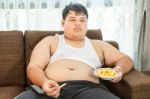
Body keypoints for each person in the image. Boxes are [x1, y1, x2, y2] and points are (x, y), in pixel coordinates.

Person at [16, 3, 133, 99]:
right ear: (63, 23)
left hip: (89, 89)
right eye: (72, 19)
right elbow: (34, 67)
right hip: (52, 87)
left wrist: (119, 70)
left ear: (87, 23)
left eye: (82, 20)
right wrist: (44, 83)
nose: (78, 23)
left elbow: (125, 59)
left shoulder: (98, 45)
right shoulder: (51, 41)